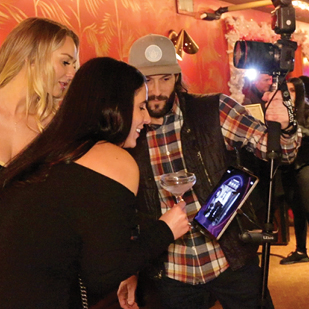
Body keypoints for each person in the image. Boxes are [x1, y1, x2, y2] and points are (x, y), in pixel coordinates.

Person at [117, 34, 301, 309]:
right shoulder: (126, 131)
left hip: (231, 259)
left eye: (165, 78)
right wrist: (130, 270)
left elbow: (282, 153)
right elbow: (125, 210)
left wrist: (285, 126)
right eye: (146, 80)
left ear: (177, 77)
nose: (155, 90)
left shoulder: (214, 109)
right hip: (171, 272)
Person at [0, 57, 190, 308]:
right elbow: (103, 274)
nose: (147, 118)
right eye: (140, 107)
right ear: (115, 107)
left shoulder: (53, 148)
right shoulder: (114, 159)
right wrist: (166, 229)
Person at [0, 17, 79, 168]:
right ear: (32, 57)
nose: (72, 74)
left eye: (74, 66)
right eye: (65, 62)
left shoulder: (56, 125)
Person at [280, 77, 309, 264]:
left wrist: (295, 130)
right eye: (287, 90)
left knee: (308, 208)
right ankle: (301, 251)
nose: (288, 93)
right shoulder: (281, 111)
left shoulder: (306, 109)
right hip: (287, 167)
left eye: (292, 90)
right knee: (296, 209)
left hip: (305, 165)